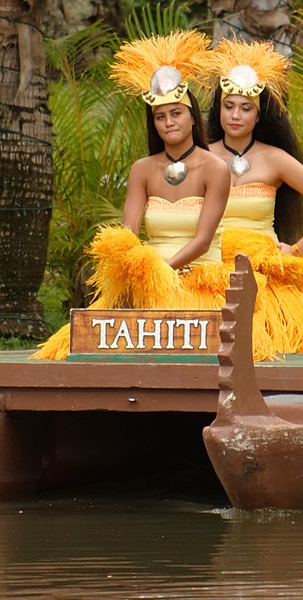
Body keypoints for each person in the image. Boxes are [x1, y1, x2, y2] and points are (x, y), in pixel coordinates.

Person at [33, 30, 232, 361]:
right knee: (81, 345)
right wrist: (132, 276)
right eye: (159, 116)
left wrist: (161, 272)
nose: (168, 122)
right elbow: (128, 234)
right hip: (150, 278)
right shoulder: (143, 169)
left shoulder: (215, 168)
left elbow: (203, 240)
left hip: (199, 280)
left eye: (176, 113)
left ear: (192, 115)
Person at [204, 39, 303, 354]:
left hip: (264, 274)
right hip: (211, 271)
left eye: (246, 108)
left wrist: (295, 251)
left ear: (259, 115)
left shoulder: (275, 159)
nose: (236, 115)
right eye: (229, 106)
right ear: (219, 109)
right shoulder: (202, 158)